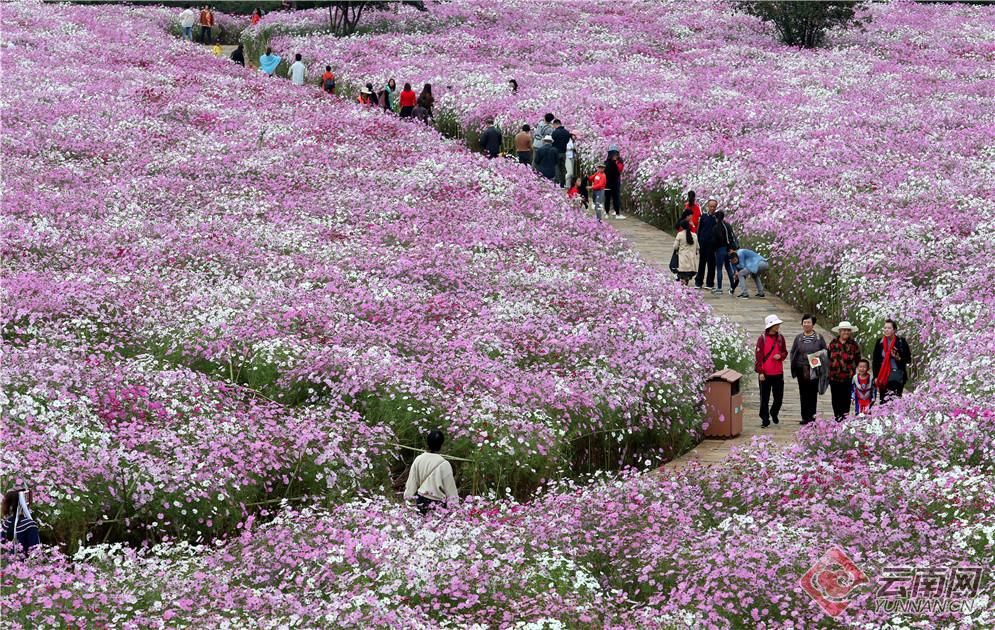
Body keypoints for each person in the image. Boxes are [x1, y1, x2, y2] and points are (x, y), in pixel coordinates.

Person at [403, 430, 458, 515]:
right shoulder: (444, 464)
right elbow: (450, 489)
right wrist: (454, 507)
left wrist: (407, 497)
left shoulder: (419, 459)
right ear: (441, 444)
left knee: (421, 526)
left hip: (421, 500)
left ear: (427, 443)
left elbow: (412, 482)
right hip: (438, 503)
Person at [790, 314, 827, 425]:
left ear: (813, 324)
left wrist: (816, 356)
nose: (806, 324)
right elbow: (793, 351)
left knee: (812, 393)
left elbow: (825, 352)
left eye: (808, 322)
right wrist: (794, 363)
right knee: (803, 392)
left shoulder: (819, 338)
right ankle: (805, 416)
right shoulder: (798, 338)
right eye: (804, 322)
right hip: (802, 368)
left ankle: (812, 417)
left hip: (814, 369)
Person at [755, 314, 787, 428]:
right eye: (776, 324)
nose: (778, 326)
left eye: (778, 324)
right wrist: (761, 372)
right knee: (764, 397)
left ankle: (774, 412)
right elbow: (758, 357)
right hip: (765, 373)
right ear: (771, 325)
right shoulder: (762, 338)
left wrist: (781, 356)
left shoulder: (781, 338)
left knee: (779, 397)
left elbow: (785, 352)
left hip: (778, 372)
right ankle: (765, 419)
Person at [872, 318, 912, 403]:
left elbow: (908, 359)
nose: (886, 330)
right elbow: (875, 361)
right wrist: (875, 376)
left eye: (889, 328)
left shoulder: (901, 342)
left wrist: (898, 358)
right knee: (883, 401)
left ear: (894, 330)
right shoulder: (880, 342)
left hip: (896, 375)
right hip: (883, 375)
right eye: (885, 328)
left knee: (895, 401)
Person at [827, 321, 861, 422]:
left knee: (846, 400)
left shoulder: (854, 345)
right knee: (835, 399)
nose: (845, 332)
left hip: (848, 377)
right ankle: (837, 418)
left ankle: (844, 420)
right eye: (843, 330)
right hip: (834, 377)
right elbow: (829, 357)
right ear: (839, 331)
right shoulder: (833, 343)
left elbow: (858, 360)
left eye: (848, 330)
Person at [1, 488, 40, 555]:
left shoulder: (6, 523)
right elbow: (35, 551)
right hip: (26, 564)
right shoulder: (30, 524)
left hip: (9, 563)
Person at [712, 210, 737, 294]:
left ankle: (719, 288)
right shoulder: (727, 226)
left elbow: (714, 241)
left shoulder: (716, 227)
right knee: (728, 267)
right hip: (728, 249)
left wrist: (714, 249)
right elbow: (731, 237)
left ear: (716, 218)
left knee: (719, 268)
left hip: (720, 250)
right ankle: (732, 286)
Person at [695, 197, 717, 289]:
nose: (712, 208)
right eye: (710, 206)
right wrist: (698, 242)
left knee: (711, 264)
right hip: (703, 244)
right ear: (708, 206)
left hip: (712, 245)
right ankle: (699, 282)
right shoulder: (703, 217)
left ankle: (710, 283)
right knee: (702, 263)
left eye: (714, 207)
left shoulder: (717, 218)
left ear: (716, 207)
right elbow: (699, 230)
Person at [672, 219, 699, 285]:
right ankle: (686, 289)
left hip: (683, 261)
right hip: (691, 262)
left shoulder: (680, 234)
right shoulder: (694, 235)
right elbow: (698, 247)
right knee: (686, 278)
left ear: (681, 227)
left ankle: (683, 291)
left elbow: (675, 246)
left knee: (682, 277)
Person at [604, 147, 625, 219]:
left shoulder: (606, 163)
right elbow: (617, 173)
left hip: (609, 184)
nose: (616, 156)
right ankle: (616, 214)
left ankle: (608, 213)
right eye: (615, 155)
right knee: (612, 198)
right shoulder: (612, 164)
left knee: (609, 198)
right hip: (612, 183)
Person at [551, 119, 570, 187]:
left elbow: (552, 141)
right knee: (562, 167)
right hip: (563, 152)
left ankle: (558, 182)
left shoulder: (555, 132)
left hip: (556, 152)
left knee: (556, 167)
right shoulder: (567, 132)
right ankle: (563, 182)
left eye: (553, 125)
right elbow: (567, 141)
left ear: (556, 124)